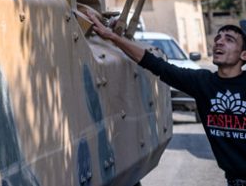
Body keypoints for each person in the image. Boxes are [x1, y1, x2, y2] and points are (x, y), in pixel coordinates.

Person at [86, 13, 246, 186]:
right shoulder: (203, 82)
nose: (219, 42)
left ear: (244, 55)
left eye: (229, 40)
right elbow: (156, 64)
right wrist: (113, 37)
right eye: (217, 38)